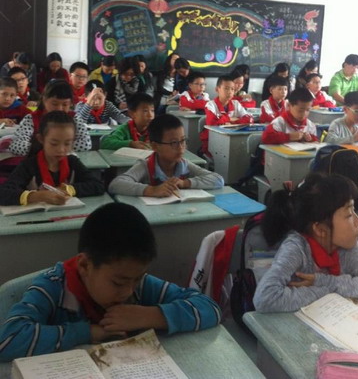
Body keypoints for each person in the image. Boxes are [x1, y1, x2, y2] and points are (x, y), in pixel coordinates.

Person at [0, 202, 221, 360]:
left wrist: (151, 315)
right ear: (84, 265)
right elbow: (7, 340)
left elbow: (209, 307)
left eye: (136, 279)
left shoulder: (138, 284)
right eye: (118, 283)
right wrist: (88, 332)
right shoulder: (52, 288)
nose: (128, 291)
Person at [253, 173, 358, 313]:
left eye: (354, 210)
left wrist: (323, 281)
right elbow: (265, 299)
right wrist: (329, 293)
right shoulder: (296, 249)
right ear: (320, 229)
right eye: (349, 215)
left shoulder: (349, 247)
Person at [0, 111, 104, 206]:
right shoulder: (28, 165)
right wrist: (36, 196)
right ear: (41, 139)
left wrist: (69, 189)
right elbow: (3, 193)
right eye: (54, 144)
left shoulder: (72, 162)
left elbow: (98, 185)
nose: (61, 150)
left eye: (67, 143)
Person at [109, 114, 224, 196]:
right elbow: (115, 185)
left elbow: (218, 180)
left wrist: (185, 183)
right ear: (155, 146)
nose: (181, 147)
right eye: (174, 143)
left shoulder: (184, 164)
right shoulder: (145, 166)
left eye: (183, 141)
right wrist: (152, 190)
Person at [9, 80, 91, 156]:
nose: (59, 108)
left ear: (70, 104)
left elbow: (85, 143)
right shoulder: (32, 119)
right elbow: (16, 145)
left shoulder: (74, 118)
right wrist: (52, 148)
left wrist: (49, 147)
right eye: (55, 104)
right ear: (44, 100)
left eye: (65, 104)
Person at [199, 75, 253, 157]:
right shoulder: (210, 105)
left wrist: (228, 122)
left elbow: (249, 119)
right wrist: (231, 119)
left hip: (233, 140)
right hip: (213, 141)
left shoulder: (236, 103)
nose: (230, 92)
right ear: (217, 89)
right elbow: (213, 123)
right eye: (226, 88)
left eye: (232, 89)